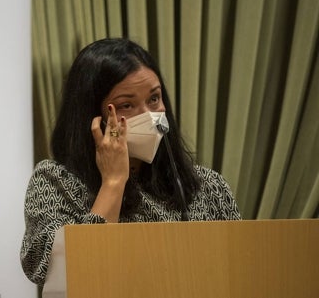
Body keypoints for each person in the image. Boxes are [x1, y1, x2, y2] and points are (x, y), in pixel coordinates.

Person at [20, 38, 241, 286]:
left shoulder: (209, 186)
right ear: (93, 117)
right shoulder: (53, 180)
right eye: (127, 105)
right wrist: (113, 183)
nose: (148, 115)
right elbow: (50, 270)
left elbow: (239, 272)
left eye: (154, 99)